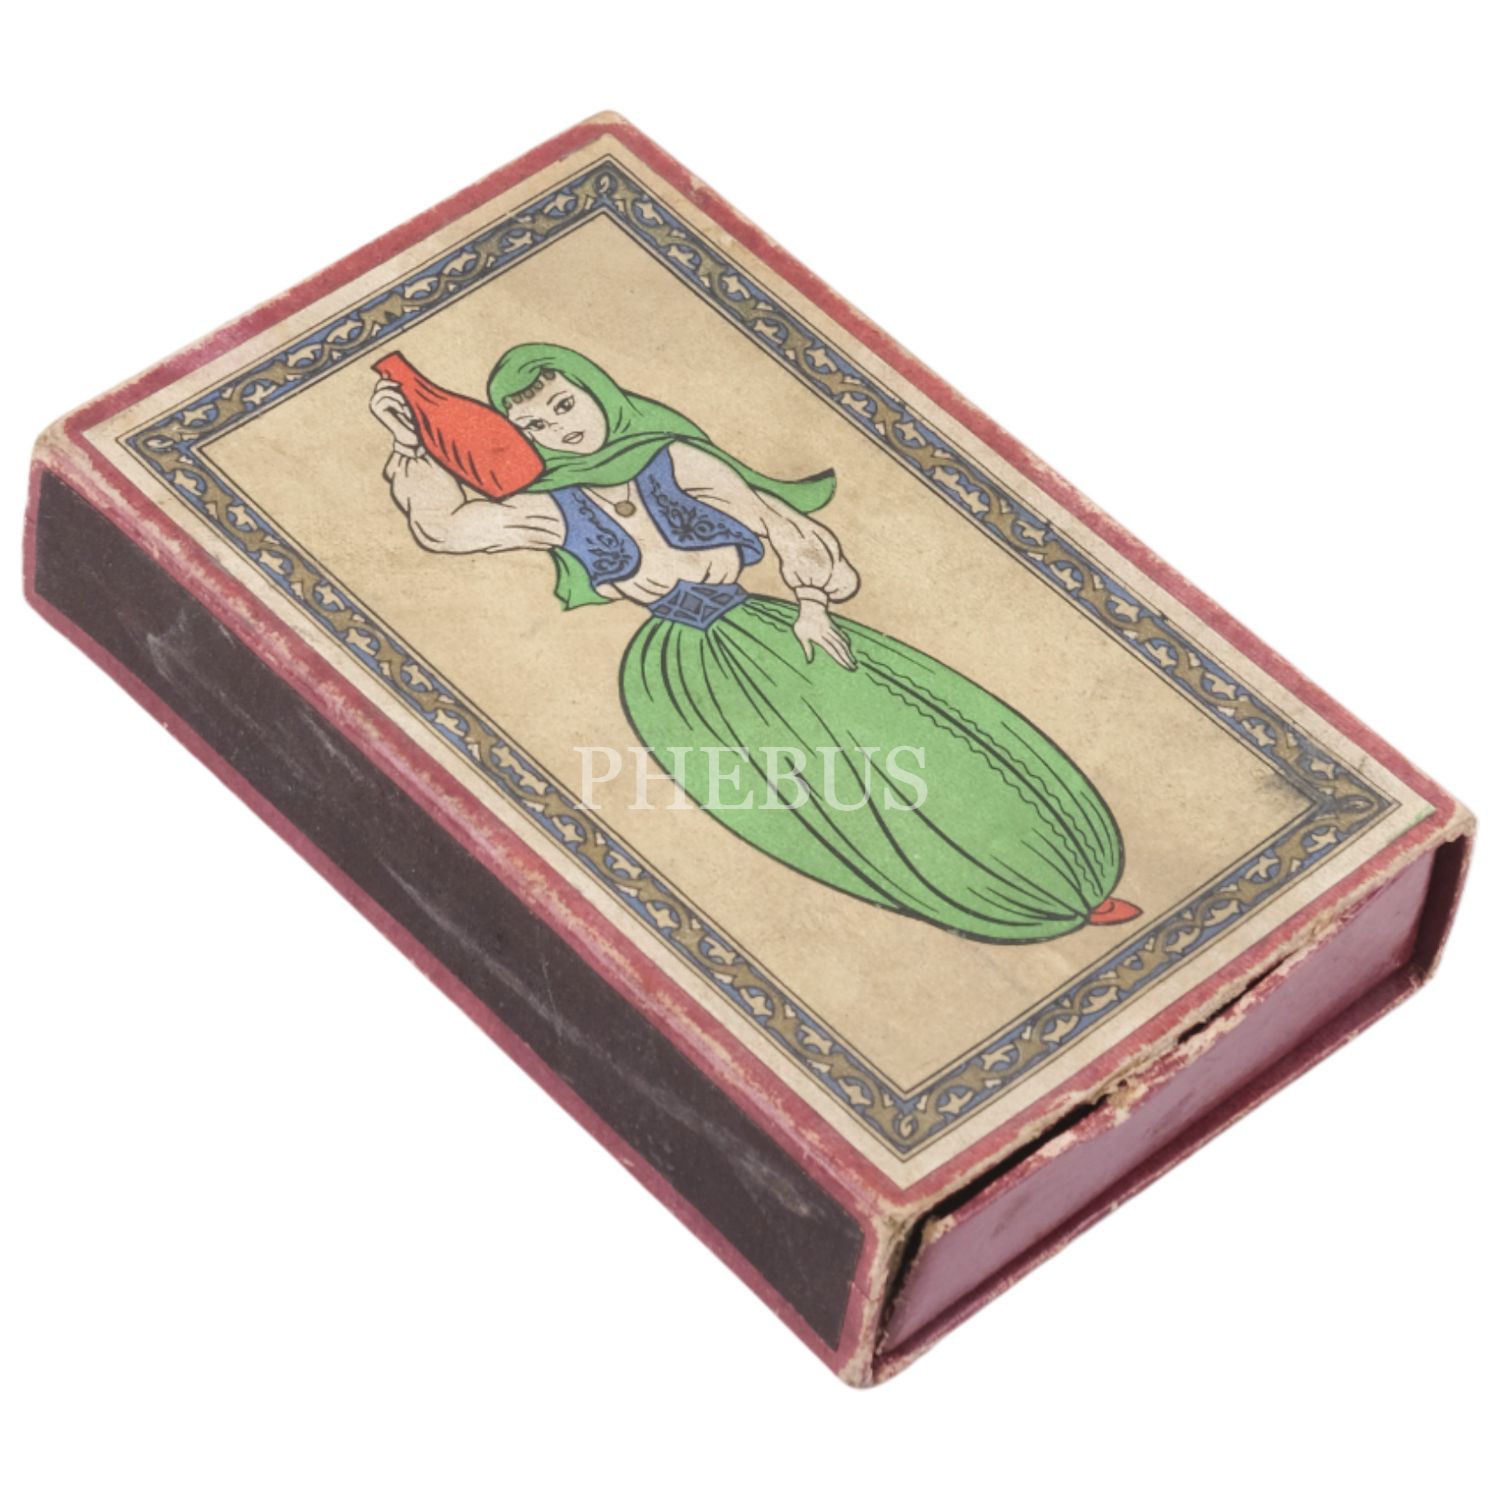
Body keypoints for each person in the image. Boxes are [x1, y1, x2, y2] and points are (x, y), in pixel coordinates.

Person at [370, 342, 1138, 943]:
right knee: (809, 802)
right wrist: (410, 446)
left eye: (565, 404)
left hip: (775, 634)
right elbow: (449, 529)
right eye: (536, 425)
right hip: (678, 681)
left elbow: (779, 521)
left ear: (598, 393)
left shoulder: (675, 460)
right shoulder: (555, 506)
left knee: (916, 744)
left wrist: (812, 605)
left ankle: (1056, 873)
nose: (559, 428)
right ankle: (963, 897)